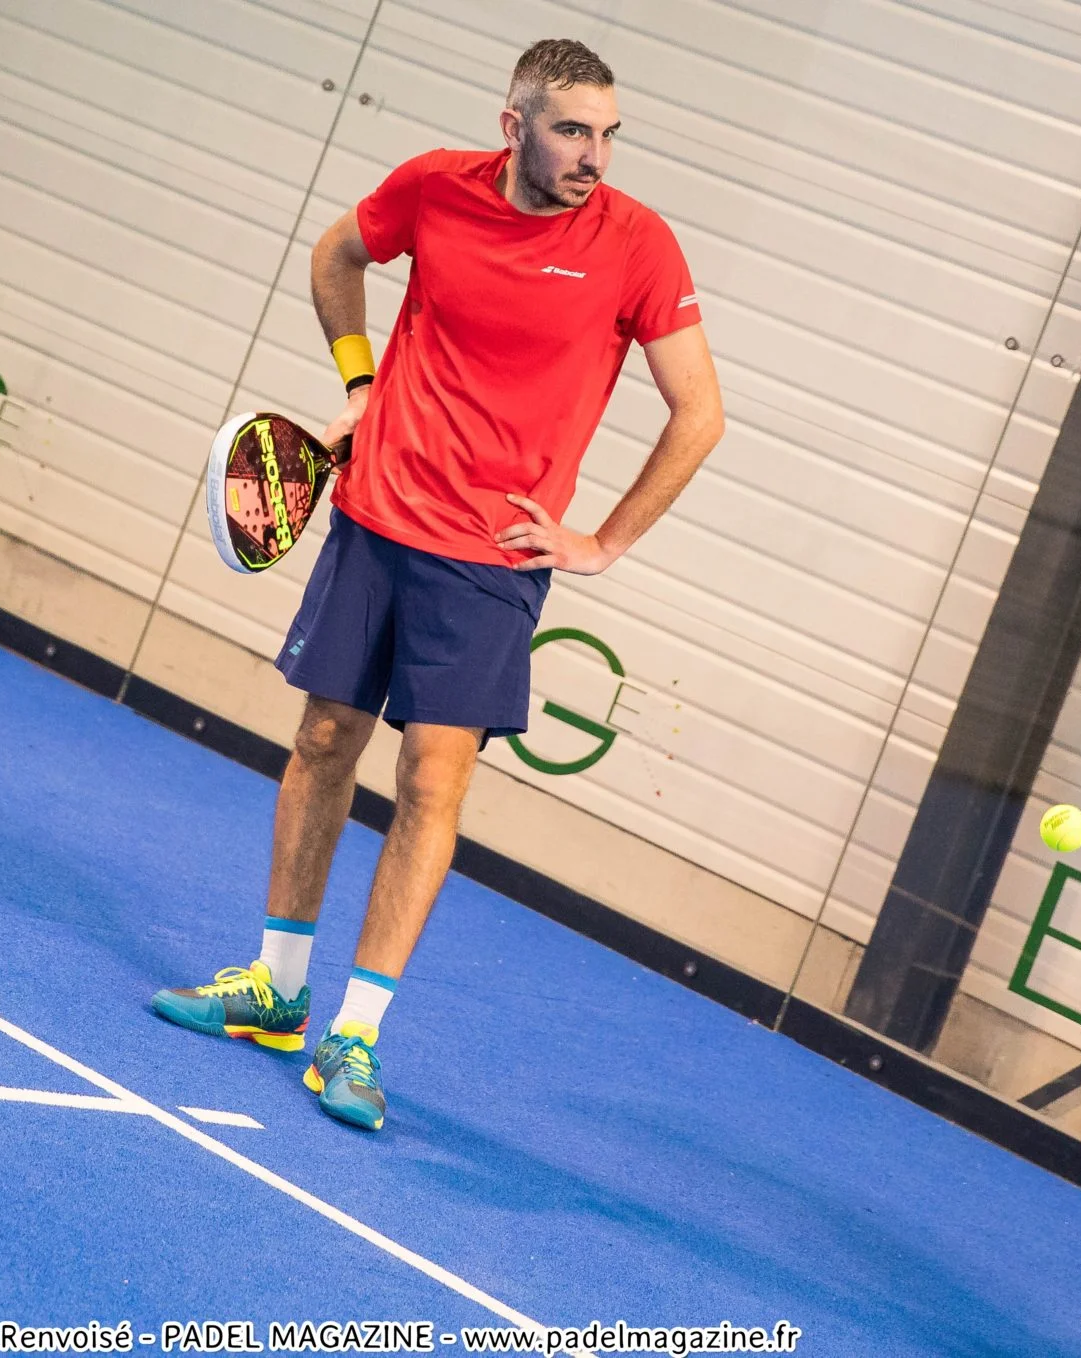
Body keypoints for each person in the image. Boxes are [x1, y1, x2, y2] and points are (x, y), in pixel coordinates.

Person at [151, 38, 723, 1132]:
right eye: (570, 130)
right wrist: (360, 386)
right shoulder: (434, 188)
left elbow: (700, 414)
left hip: (489, 560)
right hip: (373, 516)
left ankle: (355, 1035)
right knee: (323, 739)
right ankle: (275, 984)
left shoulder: (637, 244)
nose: (592, 154)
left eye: (608, 134)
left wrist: (600, 540)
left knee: (430, 780)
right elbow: (333, 257)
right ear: (514, 126)